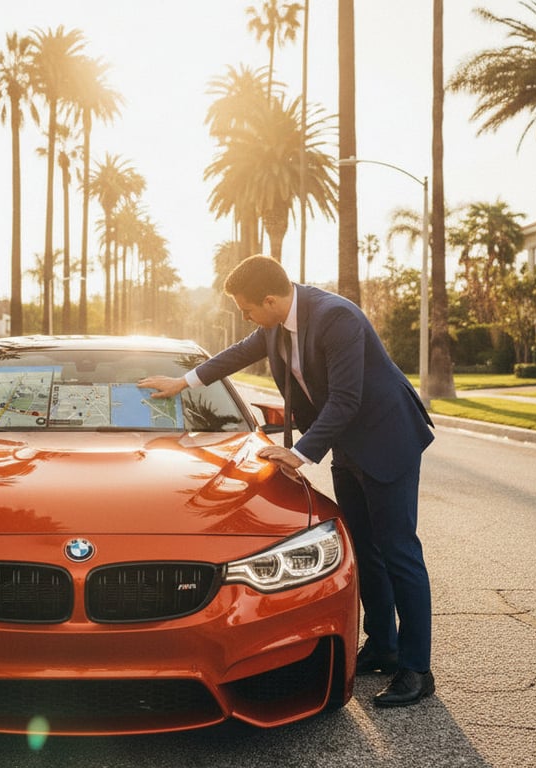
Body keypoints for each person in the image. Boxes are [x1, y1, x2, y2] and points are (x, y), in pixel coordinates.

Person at [139, 255, 436, 707]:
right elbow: (238, 353)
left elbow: (346, 398)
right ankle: (384, 645)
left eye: (247, 309)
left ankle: (416, 669)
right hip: (349, 445)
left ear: (271, 300)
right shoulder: (276, 325)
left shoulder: (336, 318)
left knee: (398, 550)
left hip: (386, 438)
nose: (245, 318)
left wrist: (298, 454)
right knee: (365, 548)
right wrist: (183, 382)